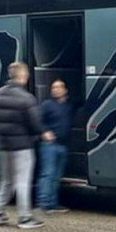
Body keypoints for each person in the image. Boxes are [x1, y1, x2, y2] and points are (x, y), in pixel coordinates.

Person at [0, 62, 54, 229]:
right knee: (23, 180)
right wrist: (44, 133)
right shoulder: (26, 98)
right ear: (22, 76)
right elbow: (35, 121)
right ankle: (24, 217)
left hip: (5, 144)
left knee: (7, 179)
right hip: (22, 145)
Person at [36, 79, 72, 213]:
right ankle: (44, 203)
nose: (56, 90)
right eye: (54, 87)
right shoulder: (46, 105)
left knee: (57, 176)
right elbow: (37, 120)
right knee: (48, 174)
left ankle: (53, 203)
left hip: (63, 146)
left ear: (65, 90)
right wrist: (44, 131)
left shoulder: (69, 105)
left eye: (59, 87)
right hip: (49, 145)